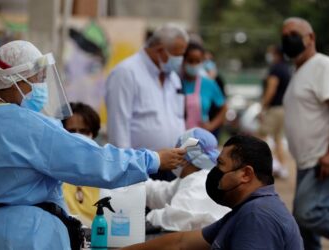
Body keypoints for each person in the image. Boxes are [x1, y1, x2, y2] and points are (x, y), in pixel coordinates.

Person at [0, 40, 186, 250]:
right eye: (38, 79)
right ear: (16, 80)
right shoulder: (29, 126)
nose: (42, 86)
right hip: (28, 236)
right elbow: (94, 162)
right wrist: (153, 159)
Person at [122, 135, 304, 250]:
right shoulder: (247, 209)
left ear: (246, 174)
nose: (214, 172)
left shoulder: (257, 216)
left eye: (220, 165)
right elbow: (181, 242)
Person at [105, 23, 188, 181]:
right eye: (177, 55)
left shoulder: (173, 77)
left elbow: (178, 117)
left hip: (172, 167)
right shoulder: (126, 73)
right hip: (141, 169)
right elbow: (118, 128)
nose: (180, 61)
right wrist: (128, 172)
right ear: (159, 49)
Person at [281, 17, 329, 250]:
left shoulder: (322, 65)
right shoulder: (299, 71)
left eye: (292, 34)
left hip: (320, 158)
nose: (286, 39)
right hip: (305, 160)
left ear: (310, 38)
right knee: (304, 228)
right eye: (284, 35)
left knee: (308, 213)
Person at [146, 127, 230, 231]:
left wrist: (149, 217)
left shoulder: (198, 183)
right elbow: (161, 193)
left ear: (182, 158)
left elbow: (173, 219)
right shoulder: (197, 177)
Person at [61, 102, 101, 226]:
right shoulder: (50, 171)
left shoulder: (104, 169)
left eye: (84, 131)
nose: (79, 137)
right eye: (72, 131)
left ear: (93, 135)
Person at [259, 45, 291, 178]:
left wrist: (263, 106)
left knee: (262, 136)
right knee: (278, 139)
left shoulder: (275, 69)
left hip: (274, 108)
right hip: (284, 108)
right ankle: (282, 167)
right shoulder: (287, 69)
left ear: (276, 54)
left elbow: (271, 89)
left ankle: (269, 166)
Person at [181, 43, 227, 134]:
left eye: (197, 61)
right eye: (190, 61)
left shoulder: (208, 84)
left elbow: (224, 107)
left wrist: (211, 125)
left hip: (200, 134)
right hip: (179, 132)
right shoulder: (176, 82)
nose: (194, 65)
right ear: (183, 61)